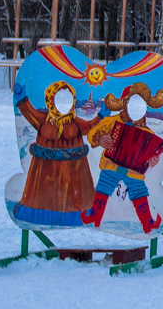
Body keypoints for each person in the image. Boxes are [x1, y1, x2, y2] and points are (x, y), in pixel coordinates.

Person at [84, 82, 163, 233]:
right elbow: (92, 133)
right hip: (111, 165)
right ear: (125, 104)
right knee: (103, 189)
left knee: (139, 193)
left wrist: (153, 160)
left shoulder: (147, 132)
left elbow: (152, 155)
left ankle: (147, 222)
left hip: (134, 171)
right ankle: (94, 216)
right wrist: (100, 139)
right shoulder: (113, 122)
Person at [12, 79, 98, 227]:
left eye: (68, 99)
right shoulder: (43, 120)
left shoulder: (75, 122)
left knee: (73, 199)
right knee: (45, 198)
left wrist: (101, 116)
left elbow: (90, 126)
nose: (63, 104)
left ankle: (76, 216)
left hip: (72, 173)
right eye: (58, 99)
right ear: (51, 101)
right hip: (45, 173)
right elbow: (29, 113)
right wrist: (22, 100)